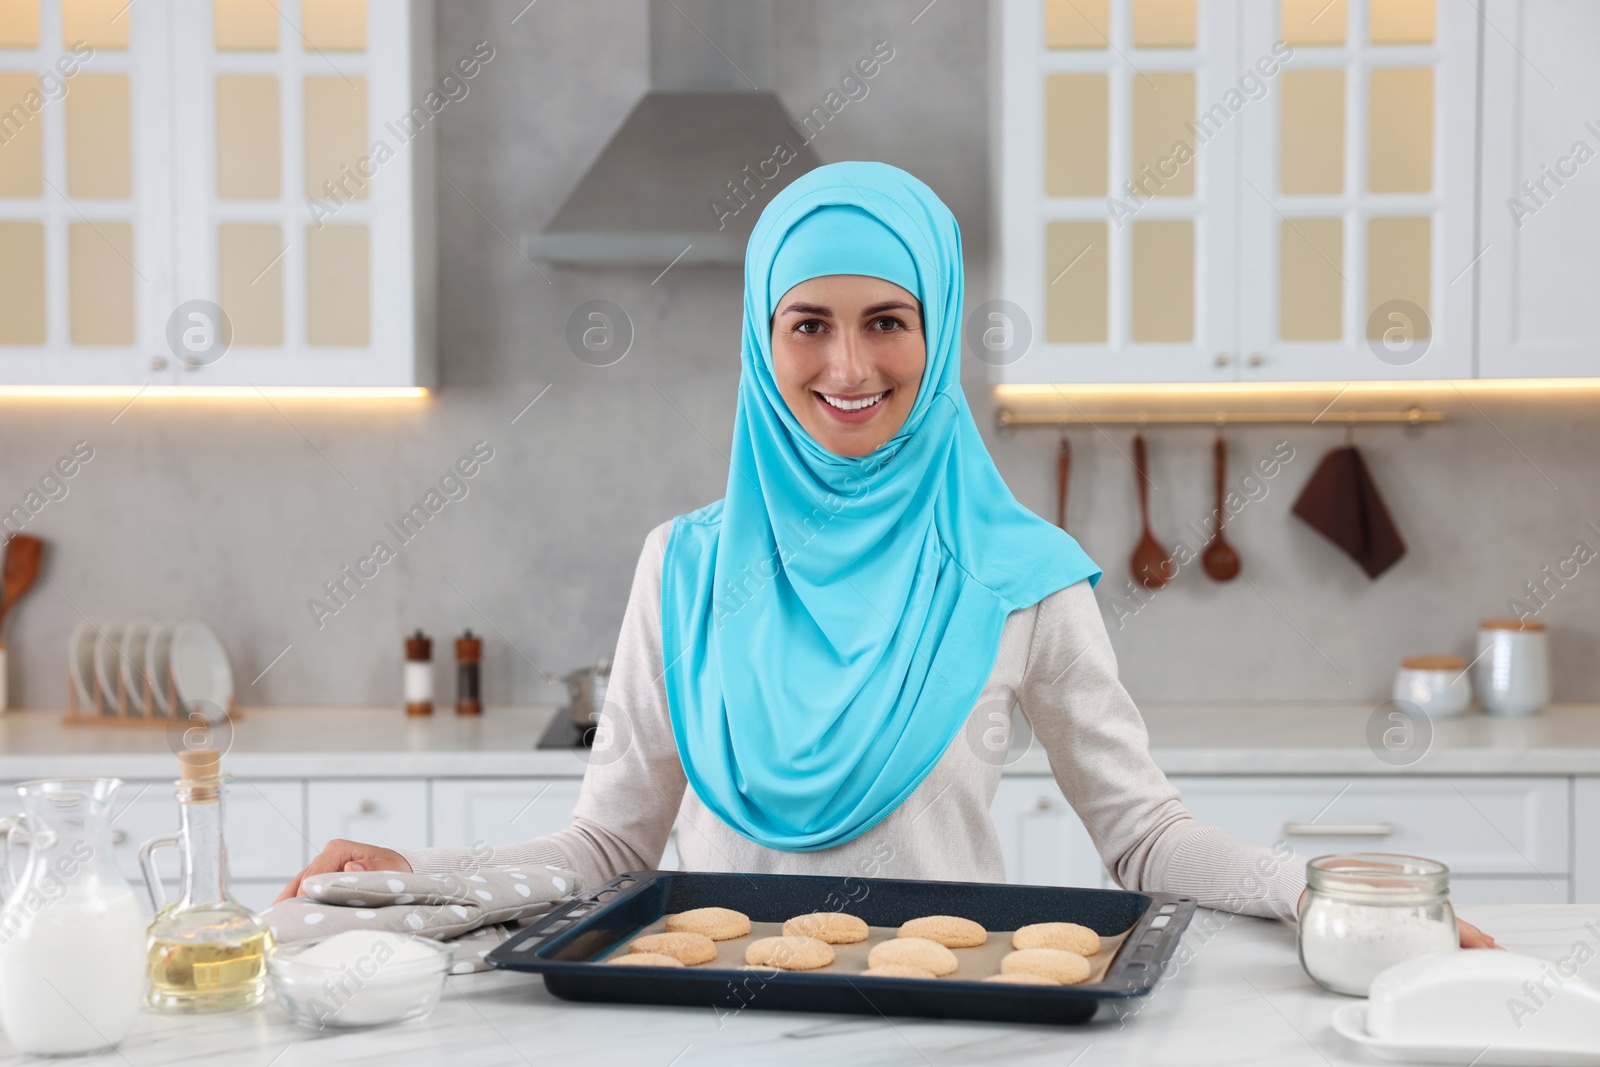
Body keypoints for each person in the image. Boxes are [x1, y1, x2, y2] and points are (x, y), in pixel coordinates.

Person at [276, 161, 1493, 948]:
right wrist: (411, 869)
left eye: (887, 322)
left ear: (938, 327)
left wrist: (1316, 886)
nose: (849, 369)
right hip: (694, 1024)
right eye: (810, 324)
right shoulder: (685, 566)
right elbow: (607, 848)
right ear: (766, 341)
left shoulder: (1023, 573)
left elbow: (1143, 836)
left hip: (947, 1013)